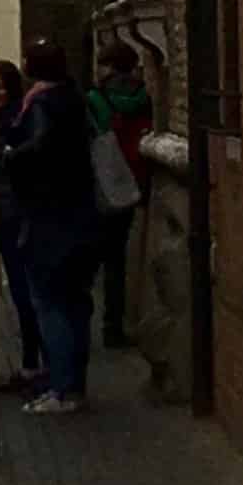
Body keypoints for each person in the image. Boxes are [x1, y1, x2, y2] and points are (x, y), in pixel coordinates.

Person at [5, 42, 100, 415]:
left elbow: (39, 146)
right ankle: (75, 385)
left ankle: (61, 388)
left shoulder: (41, 104)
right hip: (82, 211)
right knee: (77, 302)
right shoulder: (75, 99)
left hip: (49, 214)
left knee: (49, 301)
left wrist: (15, 157)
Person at [85, 42, 154, 348]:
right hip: (134, 182)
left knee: (89, 260)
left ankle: (80, 325)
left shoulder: (96, 99)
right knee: (116, 260)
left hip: (102, 183)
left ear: (109, 66)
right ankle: (114, 326)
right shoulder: (145, 97)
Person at [0, 60, 44, 392]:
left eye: (0, 86)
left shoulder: (17, 123)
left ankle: (34, 363)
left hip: (16, 216)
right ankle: (32, 362)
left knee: (24, 292)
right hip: (5, 216)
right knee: (23, 291)